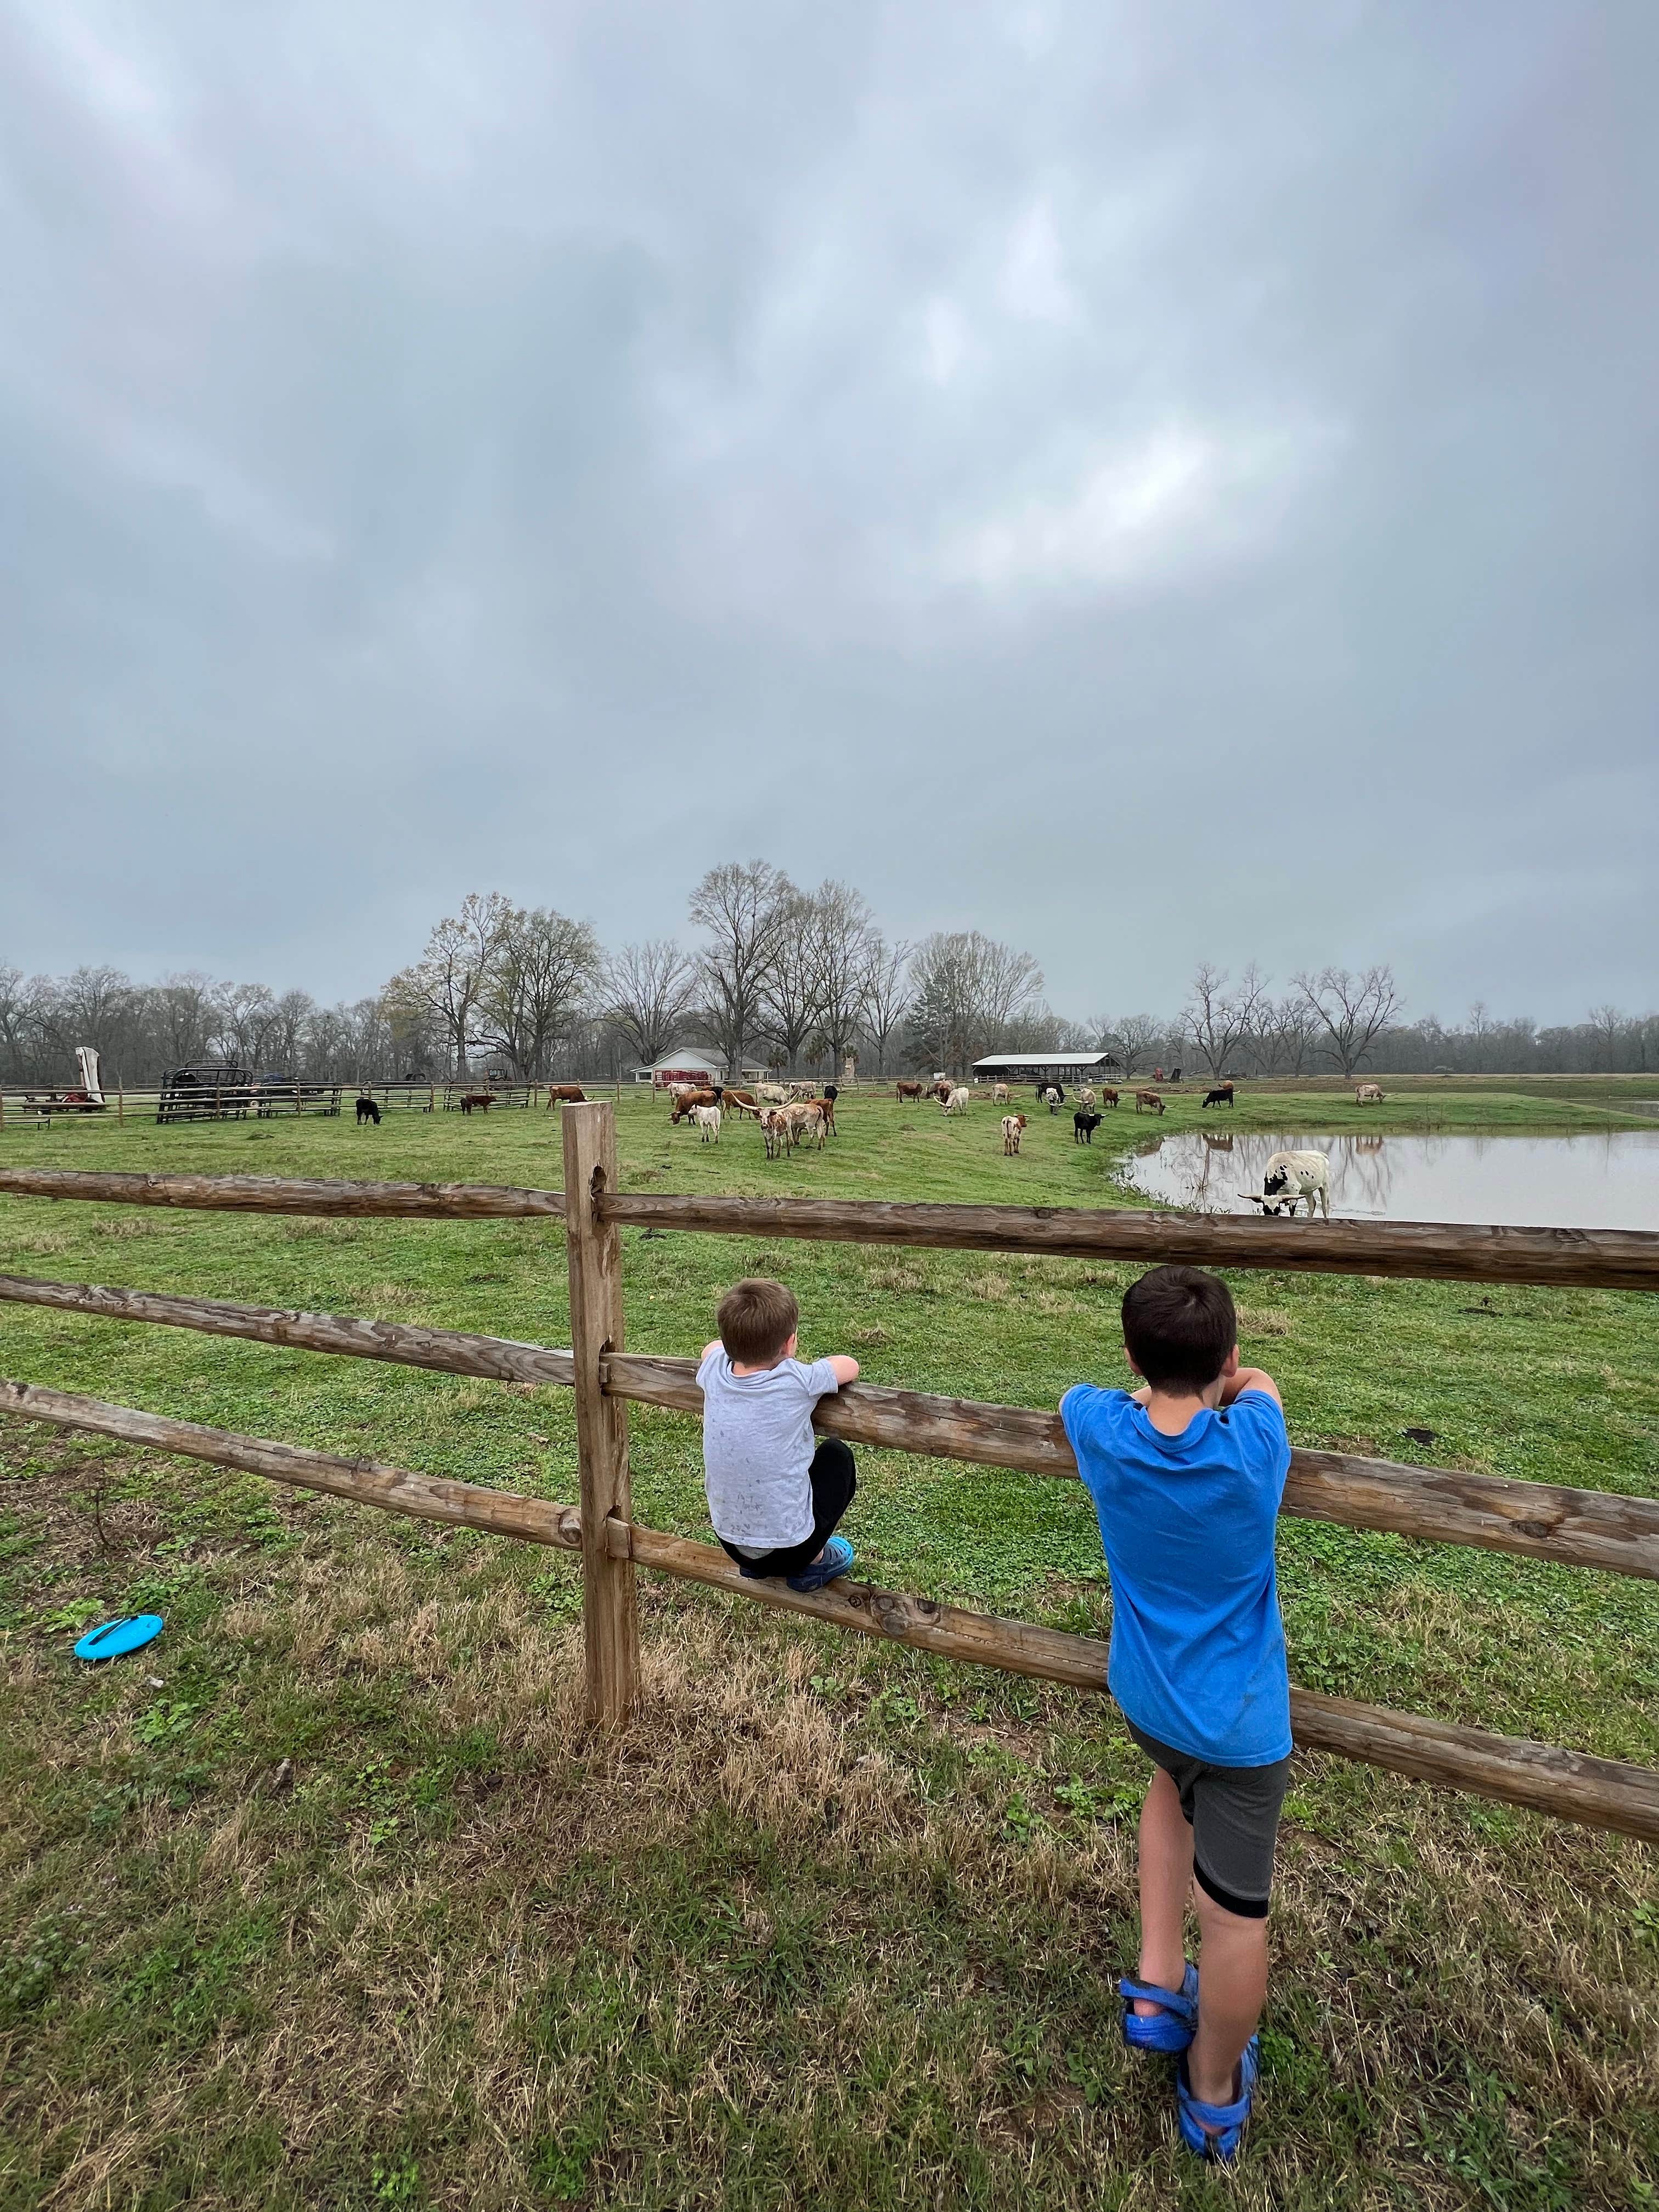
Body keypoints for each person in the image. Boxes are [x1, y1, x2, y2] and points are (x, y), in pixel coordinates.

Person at [1059, 1265, 1291, 2162]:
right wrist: (1234, 1378)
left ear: (1131, 1355)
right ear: (1226, 1357)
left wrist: (1154, 1380)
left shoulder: (1103, 1430)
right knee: (1233, 1918)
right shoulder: (1252, 1448)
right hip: (1236, 1732)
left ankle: (1157, 1983)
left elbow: (1077, 1394)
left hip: (1148, 1705)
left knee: (1166, 1786)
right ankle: (1209, 2089)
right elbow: (1263, 1389)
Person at [698, 1277, 861, 1593]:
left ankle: (759, 1566)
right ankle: (813, 1562)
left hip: (731, 1544)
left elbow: (711, 1349)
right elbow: (849, 1366)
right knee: (837, 1455)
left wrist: (729, 1344)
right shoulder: (797, 1380)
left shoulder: (716, 1371)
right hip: (791, 1549)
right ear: (790, 1343)